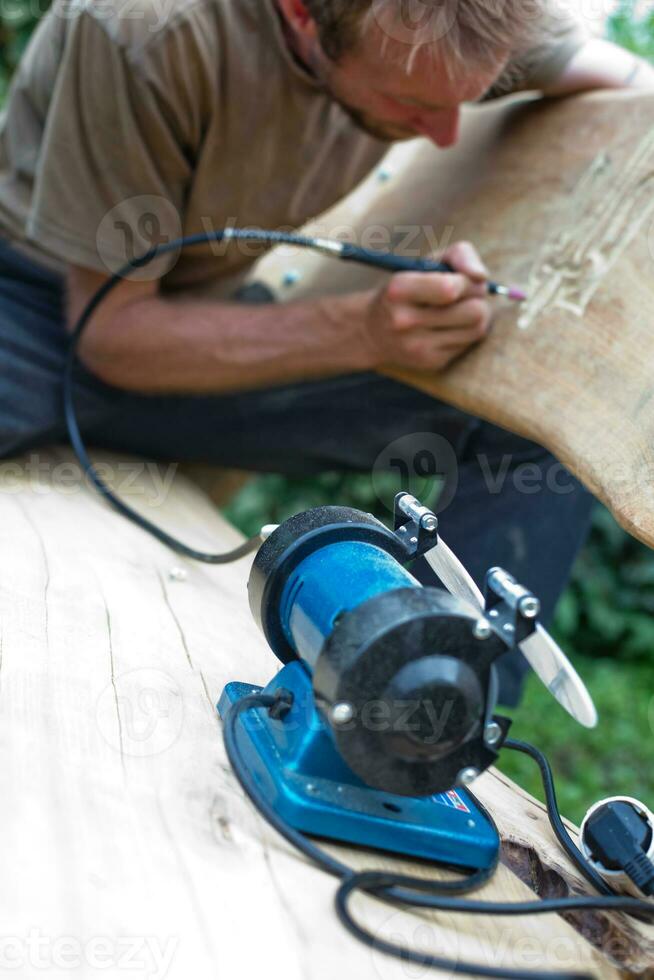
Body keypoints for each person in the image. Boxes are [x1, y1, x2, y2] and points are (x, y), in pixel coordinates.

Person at [0, 0, 652, 700]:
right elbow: (110, 336)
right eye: (413, 102)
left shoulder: (455, 21)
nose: (443, 133)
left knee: (530, 425)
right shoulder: (142, 28)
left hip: (203, 318)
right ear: (302, 13)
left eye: (466, 98)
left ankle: (432, 705)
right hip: (39, 314)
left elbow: (626, 75)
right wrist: (362, 332)